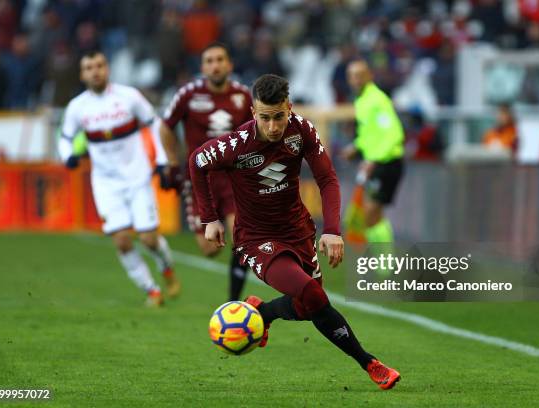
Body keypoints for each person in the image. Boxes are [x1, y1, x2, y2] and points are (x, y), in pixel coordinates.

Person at [188, 74, 401, 390]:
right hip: (256, 239)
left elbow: (327, 179)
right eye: (265, 118)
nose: (273, 126)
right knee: (313, 295)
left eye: (279, 116)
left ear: (289, 107)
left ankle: (263, 312)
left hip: (298, 232)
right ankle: (370, 363)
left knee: (310, 307)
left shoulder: (301, 131)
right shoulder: (236, 144)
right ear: (252, 112)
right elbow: (196, 161)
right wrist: (210, 219)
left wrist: (331, 230)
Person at [57, 50, 180, 307]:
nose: (95, 71)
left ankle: (166, 267)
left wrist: (160, 160)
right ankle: (152, 291)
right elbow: (66, 137)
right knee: (122, 241)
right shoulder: (77, 107)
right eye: (89, 67)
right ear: (82, 74)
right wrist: (68, 156)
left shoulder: (129, 96)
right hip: (105, 184)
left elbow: (153, 124)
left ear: (107, 69)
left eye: (99, 65)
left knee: (148, 238)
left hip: (137, 177)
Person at [159, 42, 252, 301]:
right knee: (210, 249)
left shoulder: (243, 95)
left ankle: (233, 303)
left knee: (241, 239)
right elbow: (166, 127)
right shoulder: (188, 94)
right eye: (209, 61)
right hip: (201, 179)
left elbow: (255, 131)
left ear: (229, 65)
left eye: (220, 59)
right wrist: (172, 162)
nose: (215, 65)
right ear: (202, 68)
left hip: (234, 177)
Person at [341, 59, 405, 246]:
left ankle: (386, 266)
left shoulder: (377, 101)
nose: (357, 80)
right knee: (373, 215)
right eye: (353, 76)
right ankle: (384, 267)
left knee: (370, 213)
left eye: (360, 76)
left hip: (387, 162)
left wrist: (373, 160)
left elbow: (395, 134)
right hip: (376, 163)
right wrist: (357, 146)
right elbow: (370, 132)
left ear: (370, 76)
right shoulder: (362, 101)